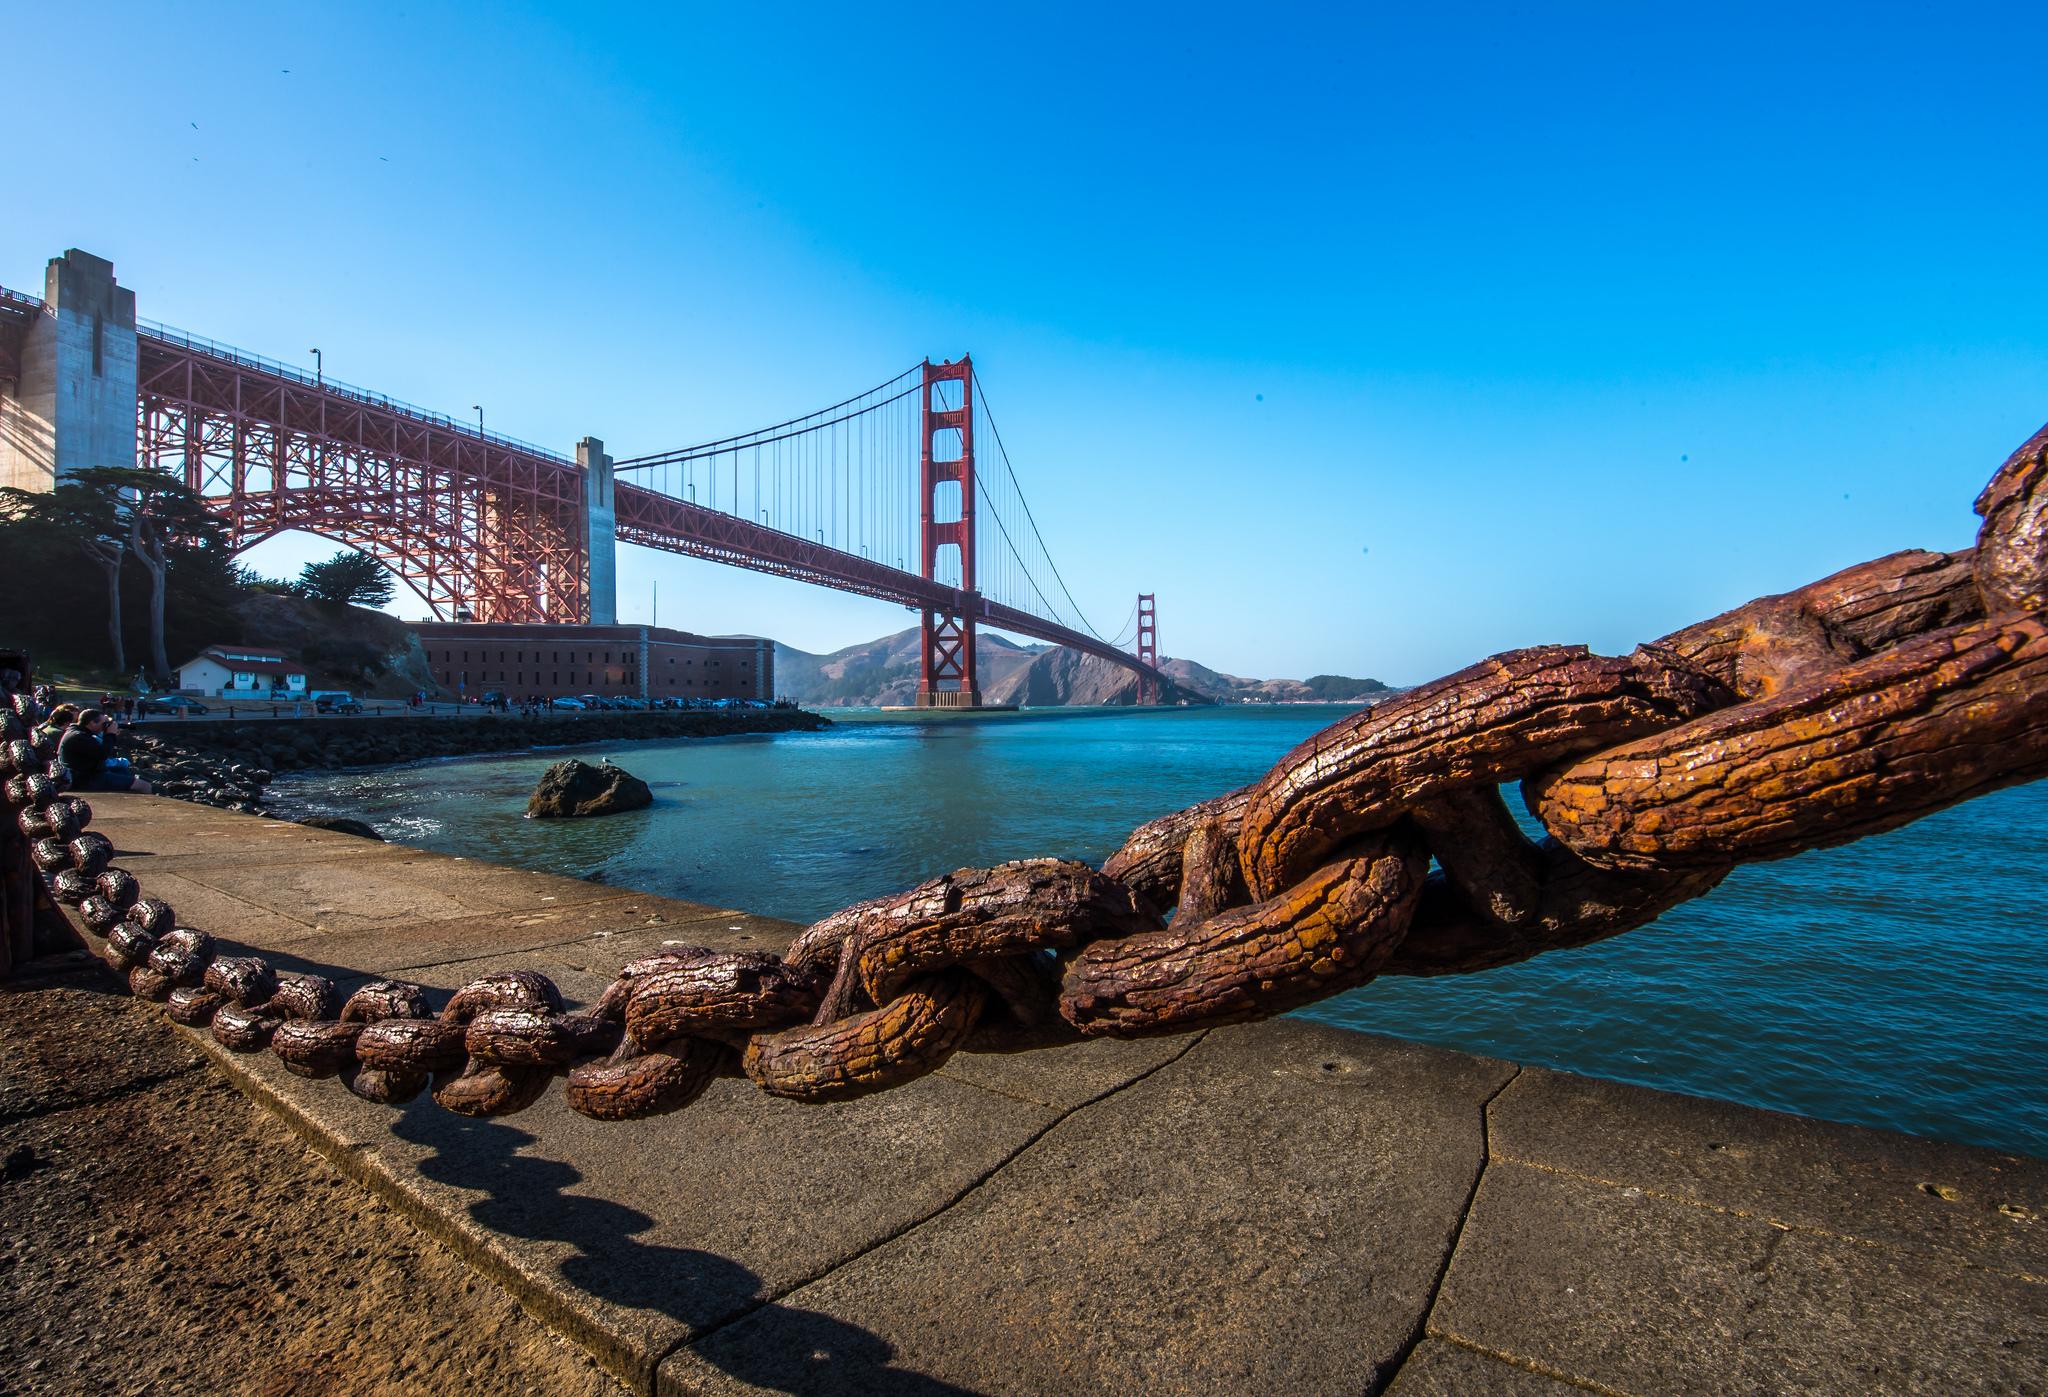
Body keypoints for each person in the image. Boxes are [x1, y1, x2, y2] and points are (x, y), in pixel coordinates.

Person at [59, 709, 153, 794]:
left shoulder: (77, 733)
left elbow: (99, 752)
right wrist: (110, 734)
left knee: (122, 770)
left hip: (88, 774)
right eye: (104, 723)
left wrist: (109, 735)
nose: (105, 726)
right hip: (87, 779)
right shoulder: (78, 736)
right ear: (92, 723)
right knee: (145, 786)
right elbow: (103, 753)